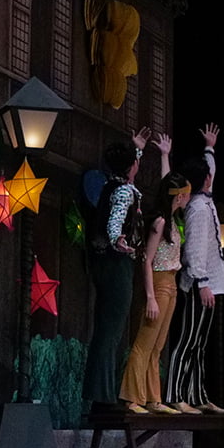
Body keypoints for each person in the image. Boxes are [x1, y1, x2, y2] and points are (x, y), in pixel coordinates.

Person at [84, 128, 150, 411]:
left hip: (106, 263)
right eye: (135, 161)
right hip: (116, 263)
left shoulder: (112, 185)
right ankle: (102, 398)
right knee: (111, 330)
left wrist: (136, 150)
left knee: (108, 328)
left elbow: (128, 172)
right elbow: (116, 218)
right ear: (131, 167)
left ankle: (102, 395)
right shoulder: (122, 191)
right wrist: (117, 240)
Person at [166, 124, 224, 415]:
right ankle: (175, 394)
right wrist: (202, 282)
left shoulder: (204, 200)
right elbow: (193, 249)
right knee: (188, 339)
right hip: (198, 283)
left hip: (208, 281)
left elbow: (209, 172)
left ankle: (197, 395)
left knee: (199, 343)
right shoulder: (199, 209)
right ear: (204, 180)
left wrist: (209, 148)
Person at [119, 169, 189, 414]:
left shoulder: (172, 221)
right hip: (158, 283)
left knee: (158, 345)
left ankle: (153, 397)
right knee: (144, 342)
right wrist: (150, 297)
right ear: (179, 196)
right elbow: (147, 260)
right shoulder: (160, 222)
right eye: (186, 194)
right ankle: (132, 398)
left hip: (171, 283)